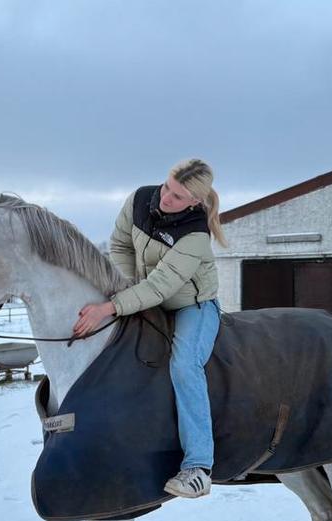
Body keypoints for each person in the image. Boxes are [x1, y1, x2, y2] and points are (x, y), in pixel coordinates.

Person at [72, 158, 227, 498]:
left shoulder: (195, 235)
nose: (165, 199)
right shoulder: (141, 199)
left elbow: (161, 287)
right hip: (146, 295)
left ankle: (198, 467)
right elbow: (120, 245)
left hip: (192, 306)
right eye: (167, 187)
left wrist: (112, 306)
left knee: (184, 365)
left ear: (195, 203)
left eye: (177, 196)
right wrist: (125, 290)